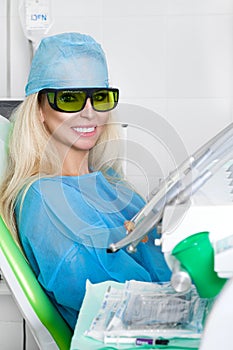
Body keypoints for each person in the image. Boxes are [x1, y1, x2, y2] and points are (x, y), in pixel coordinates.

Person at [0, 32, 171, 330]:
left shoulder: (112, 183)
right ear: (39, 109)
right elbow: (109, 302)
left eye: (100, 97)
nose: (89, 113)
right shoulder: (45, 199)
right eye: (70, 99)